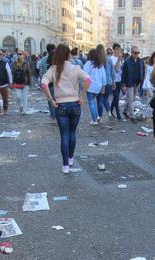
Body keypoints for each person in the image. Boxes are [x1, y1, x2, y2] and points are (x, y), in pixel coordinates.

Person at [40, 44, 91, 174]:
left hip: (61, 105)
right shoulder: (75, 68)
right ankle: (71, 158)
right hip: (75, 104)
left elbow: (43, 83)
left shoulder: (53, 69)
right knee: (72, 133)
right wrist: (82, 95)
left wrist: (51, 99)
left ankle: (65, 166)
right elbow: (88, 80)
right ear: (68, 55)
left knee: (64, 135)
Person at [83, 48, 107, 124]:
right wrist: (103, 86)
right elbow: (104, 76)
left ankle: (94, 119)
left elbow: (84, 75)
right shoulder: (100, 64)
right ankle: (98, 116)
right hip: (98, 86)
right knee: (96, 101)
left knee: (91, 102)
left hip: (90, 86)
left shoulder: (88, 63)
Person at [121, 46, 144, 119]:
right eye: (135, 53)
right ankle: (132, 115)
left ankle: (125, 110)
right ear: (131, 53)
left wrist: (142, 81)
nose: (137, 54)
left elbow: (143, 71)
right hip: (129, 82)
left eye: (138, 53)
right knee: (131, 99)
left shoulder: (140, 61)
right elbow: (123, 74)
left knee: (131, 98)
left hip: (137, 83)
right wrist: (124, 85)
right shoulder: (127, 62)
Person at [39, 44, 57, 118]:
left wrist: (42, 81)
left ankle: (53, 114)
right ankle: (58, 113)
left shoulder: (43, 60)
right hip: (56, 82)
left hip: (47, 83)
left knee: (50, 98)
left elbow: (41, 72)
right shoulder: (57, 58)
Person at [108, 44, 124, 119]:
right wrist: (118, 60)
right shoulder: (111, 59)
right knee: (116, 97)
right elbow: (115, 69)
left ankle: (110, 110)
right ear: (113, 49)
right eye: (117, 49)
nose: (118, 51)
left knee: (116, 97)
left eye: (119, 49)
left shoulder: (120, 59)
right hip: (113, 81)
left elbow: (120, 71)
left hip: (119, 80)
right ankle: (118, 114)